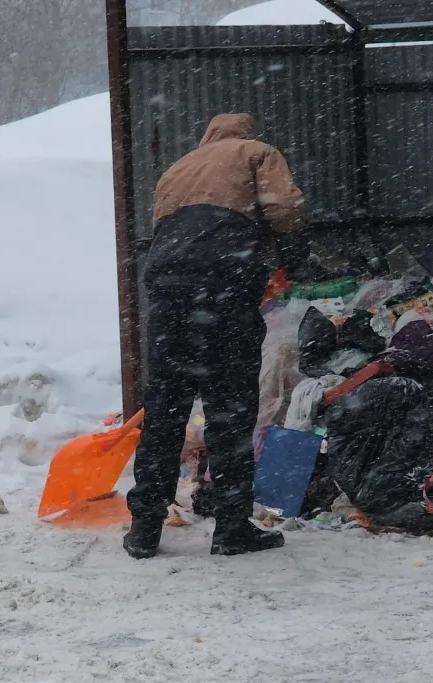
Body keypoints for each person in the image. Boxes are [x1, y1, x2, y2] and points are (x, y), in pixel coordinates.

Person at [124, 112, 307, 559]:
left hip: (168, 294)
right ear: (246, 132)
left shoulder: (176, 169)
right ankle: (230, 527)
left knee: (165, 412)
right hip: (223, 285)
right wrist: (295, 255)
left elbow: (162, 230)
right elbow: (284, 208)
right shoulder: (256, 153)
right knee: (230, 412)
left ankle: (145, 529)